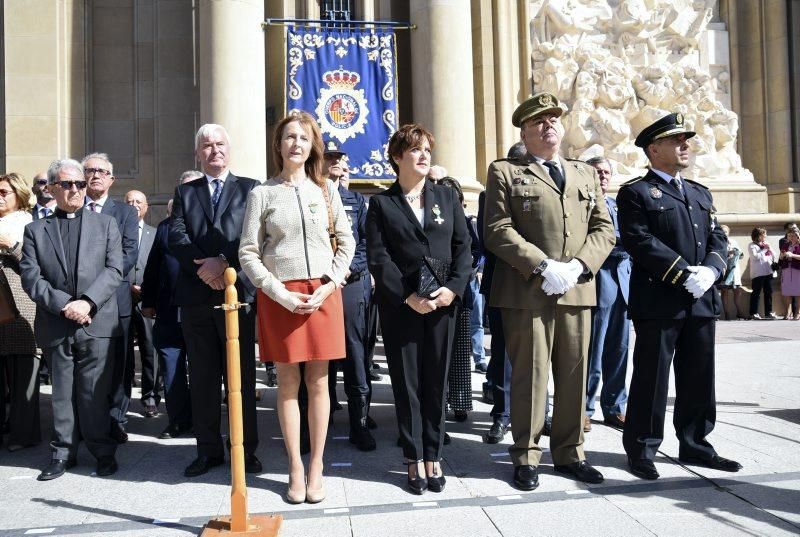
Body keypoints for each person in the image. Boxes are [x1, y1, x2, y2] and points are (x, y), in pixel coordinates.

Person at [484, 92, 615, 491]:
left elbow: (603, 228)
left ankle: (571, 452)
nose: (549, 125)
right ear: (524, 131)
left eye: (555, 119)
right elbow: (496, 229)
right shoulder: (506, 171)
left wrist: (578, 266)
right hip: (529, 290)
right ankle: (526, 455)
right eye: (540, 120)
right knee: (531, 375)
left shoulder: (584, 173)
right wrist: (542, 265)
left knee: (575, 376)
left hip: (576, 289)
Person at [618, 112, 742, 481]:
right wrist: (682, 273)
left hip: (701, 298)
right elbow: (640, 240)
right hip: (660, 301)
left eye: (686, 139)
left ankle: (696, 444)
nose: (685, 145)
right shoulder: (636, 192)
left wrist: (710, 270)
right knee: (652, 379)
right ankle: (641, 448)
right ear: (654, 149)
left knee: (699, 377)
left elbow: (718, 236)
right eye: (677, 140)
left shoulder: (700, 193)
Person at [239, 110, 354, 504]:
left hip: (322, 292)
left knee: (320, 382)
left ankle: (317, 464)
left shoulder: (327, 191)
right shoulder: (262, 194)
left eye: (303, 138)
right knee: (287, 383)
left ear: (312, 147)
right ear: (279, 144)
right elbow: (249, 253)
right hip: (281, 296)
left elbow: (347, 242)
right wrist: (278, 292)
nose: (296, 144)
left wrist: (330, 284)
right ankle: (294, 466)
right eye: (289, 137)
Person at [366, 123, 471, 495]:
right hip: (403, 307)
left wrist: (453, 290)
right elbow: (379, 258)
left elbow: (463, 248)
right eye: (415, 149)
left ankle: (434, 455)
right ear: (397, 157)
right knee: (408, 384)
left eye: (428, 149)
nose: (424, 155)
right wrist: (407, 296)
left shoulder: (445, 197)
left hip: (443, 304)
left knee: (435, 381)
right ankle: (413, 458)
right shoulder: (381, 204)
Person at [20, 159, 123, 480]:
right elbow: (32, 279)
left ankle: (103, 451)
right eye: (67, 184)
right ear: (51, 189)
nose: (76, 189)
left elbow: (114, 270)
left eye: (80, 183)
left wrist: (88, 302)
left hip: (96, 322)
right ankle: (63, 452)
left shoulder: (105, 225)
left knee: (94, 392)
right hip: (57, 321)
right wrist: (67, 304)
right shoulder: (35, 230)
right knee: (62, 393)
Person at [169, 124, 262, 477]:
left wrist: (223, 263)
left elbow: (253, 236)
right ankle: (208, 450)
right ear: (198, 153)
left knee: (242, 378)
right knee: (204, 379)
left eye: (220, 144)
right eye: (206, 146)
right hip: (196, 297)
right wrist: (204, 270)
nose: (214, 150)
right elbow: (176, 236)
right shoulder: (185, 192)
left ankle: (246, 449)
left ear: (229, 149)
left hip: (238, 297)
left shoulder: (250, 189)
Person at [82, 152, 139, 444]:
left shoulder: (125, 213)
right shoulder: (73, 210)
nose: (95, 175)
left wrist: (99, 284)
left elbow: (130, 253)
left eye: (102, 171)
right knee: (86, 362)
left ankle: (116, 419)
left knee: (118, 364)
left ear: (111, 179)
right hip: (78, 300)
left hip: (115, 299)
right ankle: (86, 420)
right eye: (90, 170)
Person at [323, 140, 375, 451]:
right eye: (328, 156)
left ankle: (359, 421)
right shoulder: (310, 196)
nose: (334, 162)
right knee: (319, 354)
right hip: (319, 283)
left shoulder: (355, 200)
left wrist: (345, 270)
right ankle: (322, 414)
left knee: (355, 352)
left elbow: (367, 244)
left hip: (349, 282)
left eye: (337, 157)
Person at [141, 171, 202, 439]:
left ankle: (204, 420)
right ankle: (179, 420)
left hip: (201, 312)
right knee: (171, 367)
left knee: (203, 370)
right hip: (168, 312)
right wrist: (149, 302)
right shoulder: (165, 228)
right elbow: (153, 268)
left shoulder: (212, 227)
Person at [584, 156, 631, 433]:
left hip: (622, 285)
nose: (602, 176)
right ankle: (584, 409)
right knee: (593, 351)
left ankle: (614, 407)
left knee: (619, 350)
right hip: (597, 283)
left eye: (606, 172)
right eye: (597, 172)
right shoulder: (583, 205)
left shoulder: (617, 205)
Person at [0, 173, 41, 451]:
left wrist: (10, 245)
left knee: (22, 379)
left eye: (4, 192)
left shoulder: (30, 225)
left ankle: (23, 436)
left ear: (20, 195)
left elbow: (37, 265)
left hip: (20, 311)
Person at [435, 176, 474, 423]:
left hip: (460, 294)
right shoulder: (434, 221)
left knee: (460, 353)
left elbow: (474, 250)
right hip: (436, 294)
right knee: (439, 357)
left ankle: (460, 402)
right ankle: (439, 403)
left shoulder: (466, 224)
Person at [124, 190, 159, 418]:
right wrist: (126, 286)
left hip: (147, 298)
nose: (134, 205)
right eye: (129, 202)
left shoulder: (155, 234)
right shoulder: (116, 232)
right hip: (122, 298)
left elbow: (159, 267)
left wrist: (148, 290)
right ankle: (122, 402)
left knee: (150, 350)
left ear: (146, 207)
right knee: (123, 353)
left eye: (139, 202)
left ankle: (150, 398)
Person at [747, 227, 777, 320]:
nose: (766, 236)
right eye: (764, 234)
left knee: (768, 292)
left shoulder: (765, 244)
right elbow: (755, 257)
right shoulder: (752, 245)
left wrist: (769, 249)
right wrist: (764, 250)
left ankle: (768, 312)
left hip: (768, 271)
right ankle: (753, 313)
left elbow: (774, 255)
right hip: (758, 273)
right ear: (759, 235)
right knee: (756, 293)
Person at [718, 224, 745, 320]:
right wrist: (727, 253)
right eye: (722, 231)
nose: (724, 233)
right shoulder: (718, 241)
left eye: (725, 231)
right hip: (725, 269)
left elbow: (741, 255)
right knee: (724, 291)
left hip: (734, 270)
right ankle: (727, 313)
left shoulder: (733, 241)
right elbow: (716, 255)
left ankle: (740, 312)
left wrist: (737, 252)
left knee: (737, 291)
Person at [779, 226, 800, 319]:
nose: (791, 238)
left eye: (793, 236)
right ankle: (787, 312)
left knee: (798, 292)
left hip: (797, 270)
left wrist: (792, 255)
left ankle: (798, 313)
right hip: (787, 270)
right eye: (789, 236)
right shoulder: (785, 245)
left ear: (798, 236)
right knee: (787, 292)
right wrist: (782, 256)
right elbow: (780, 258)